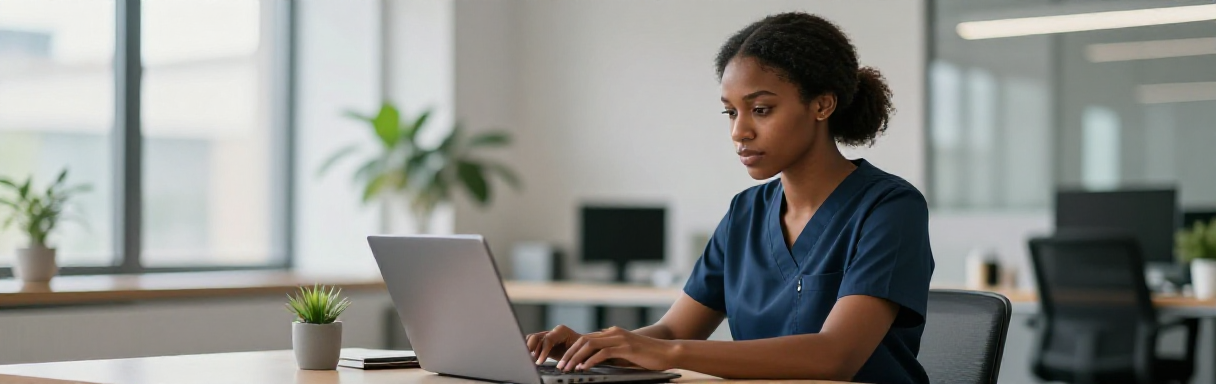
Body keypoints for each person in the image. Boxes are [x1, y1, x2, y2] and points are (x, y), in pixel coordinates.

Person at [526, 12, 934, 384]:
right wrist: (592, 349)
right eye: (731, 112)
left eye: (761, 109)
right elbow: (672, 330)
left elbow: (836, 356)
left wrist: (668, 353)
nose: (739, 131)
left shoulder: (890, 208)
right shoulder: (746, 212)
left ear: (822, 105)